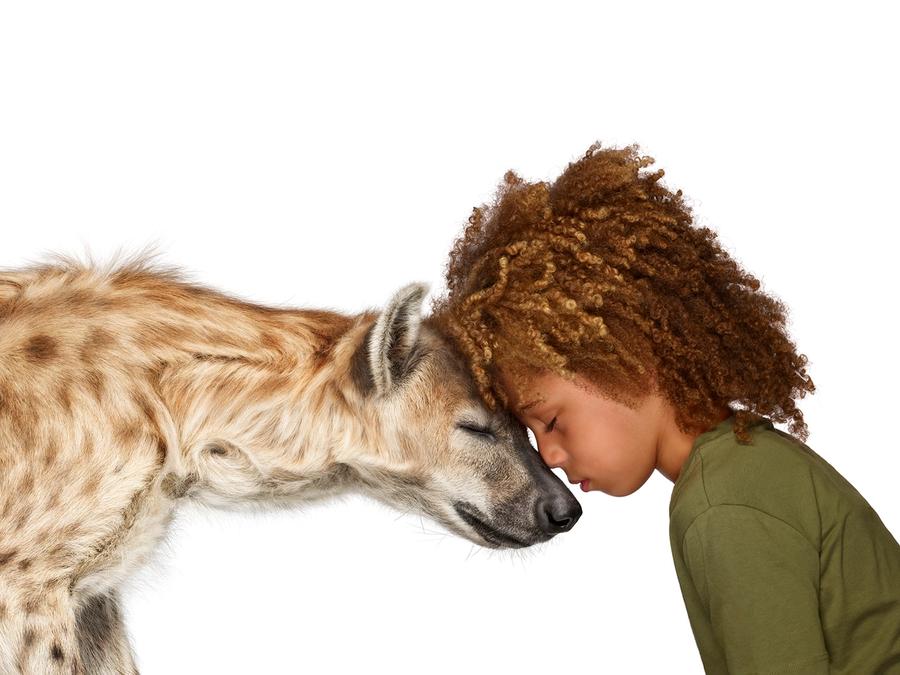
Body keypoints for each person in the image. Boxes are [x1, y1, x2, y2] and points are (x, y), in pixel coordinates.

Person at [429, 142, 900, 674]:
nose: (551, 458)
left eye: (552, 422)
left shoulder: (724, 505)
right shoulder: (747, 463)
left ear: (627, 358)